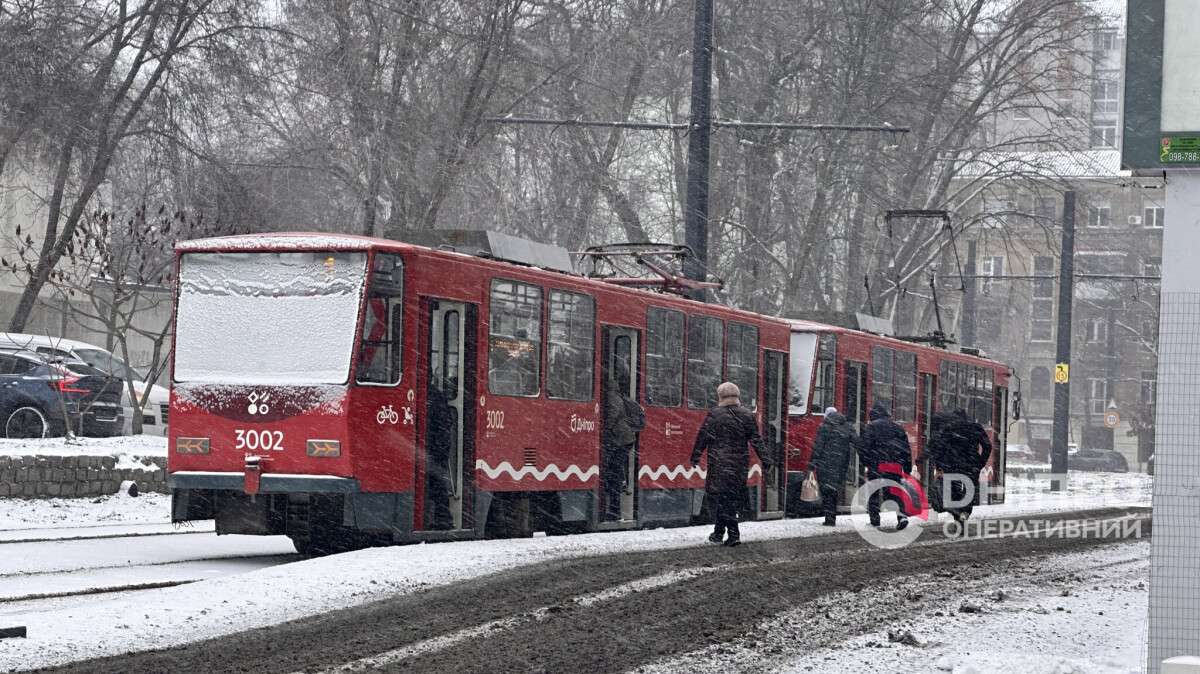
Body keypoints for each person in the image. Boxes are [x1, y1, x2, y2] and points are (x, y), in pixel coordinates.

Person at [690, 382, 766, 547]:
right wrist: (766, 459)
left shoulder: (715, 415)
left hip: (719, 463)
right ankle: (719, 533)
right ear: (737, 396)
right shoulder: (747, 415)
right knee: (729, 498)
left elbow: (703, 437)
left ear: (720, 397)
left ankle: (733, 534)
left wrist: (695, 456)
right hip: (739, 465)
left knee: (721, 499)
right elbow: (756, 440)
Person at [927, 408, 993, 525]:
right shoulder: (975, 427)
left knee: (954, 491)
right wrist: (980, 462)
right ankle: (964, 513)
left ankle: (956, 512)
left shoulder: (948, 428)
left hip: (951, 465)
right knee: (970, 491)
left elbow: (939, 446)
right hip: (971, 465)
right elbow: (987, 446)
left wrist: (939, 465)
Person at [859, 401, 913, 529]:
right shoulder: (897, 427)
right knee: (895, 492)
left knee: (874, 493)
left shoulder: (871, 427)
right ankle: (902, 516)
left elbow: (864, 448)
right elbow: (906, 449)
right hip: (893, 465)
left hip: (876, 465)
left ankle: (875, 520)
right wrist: (907, 467)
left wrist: (866, 463)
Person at [602, 360, 638, 521]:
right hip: (624, 438)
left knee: (613, 471)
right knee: (613, 470)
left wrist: (604, 429)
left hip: (620, 438)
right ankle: (615, 504)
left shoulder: (611, 395)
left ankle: (615, 509)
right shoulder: (616, 394)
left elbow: (613, 413)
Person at [809, 406, 856, 526]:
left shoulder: (824, 427)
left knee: (826, 491)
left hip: (824, 464)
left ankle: (829, 517)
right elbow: (857, 442)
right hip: (841, 465)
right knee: (834, 490)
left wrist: (812, 463)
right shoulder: (847, 427)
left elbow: (818, 446)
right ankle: (832, 516)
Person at [425, 377, 456, 529]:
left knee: (436, 483)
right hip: (436, 447)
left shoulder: (431, 396)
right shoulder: (435, 395)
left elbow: (441, 425)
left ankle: (442, 518)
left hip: (434, 448)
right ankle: (441, 518)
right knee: (437, 483)